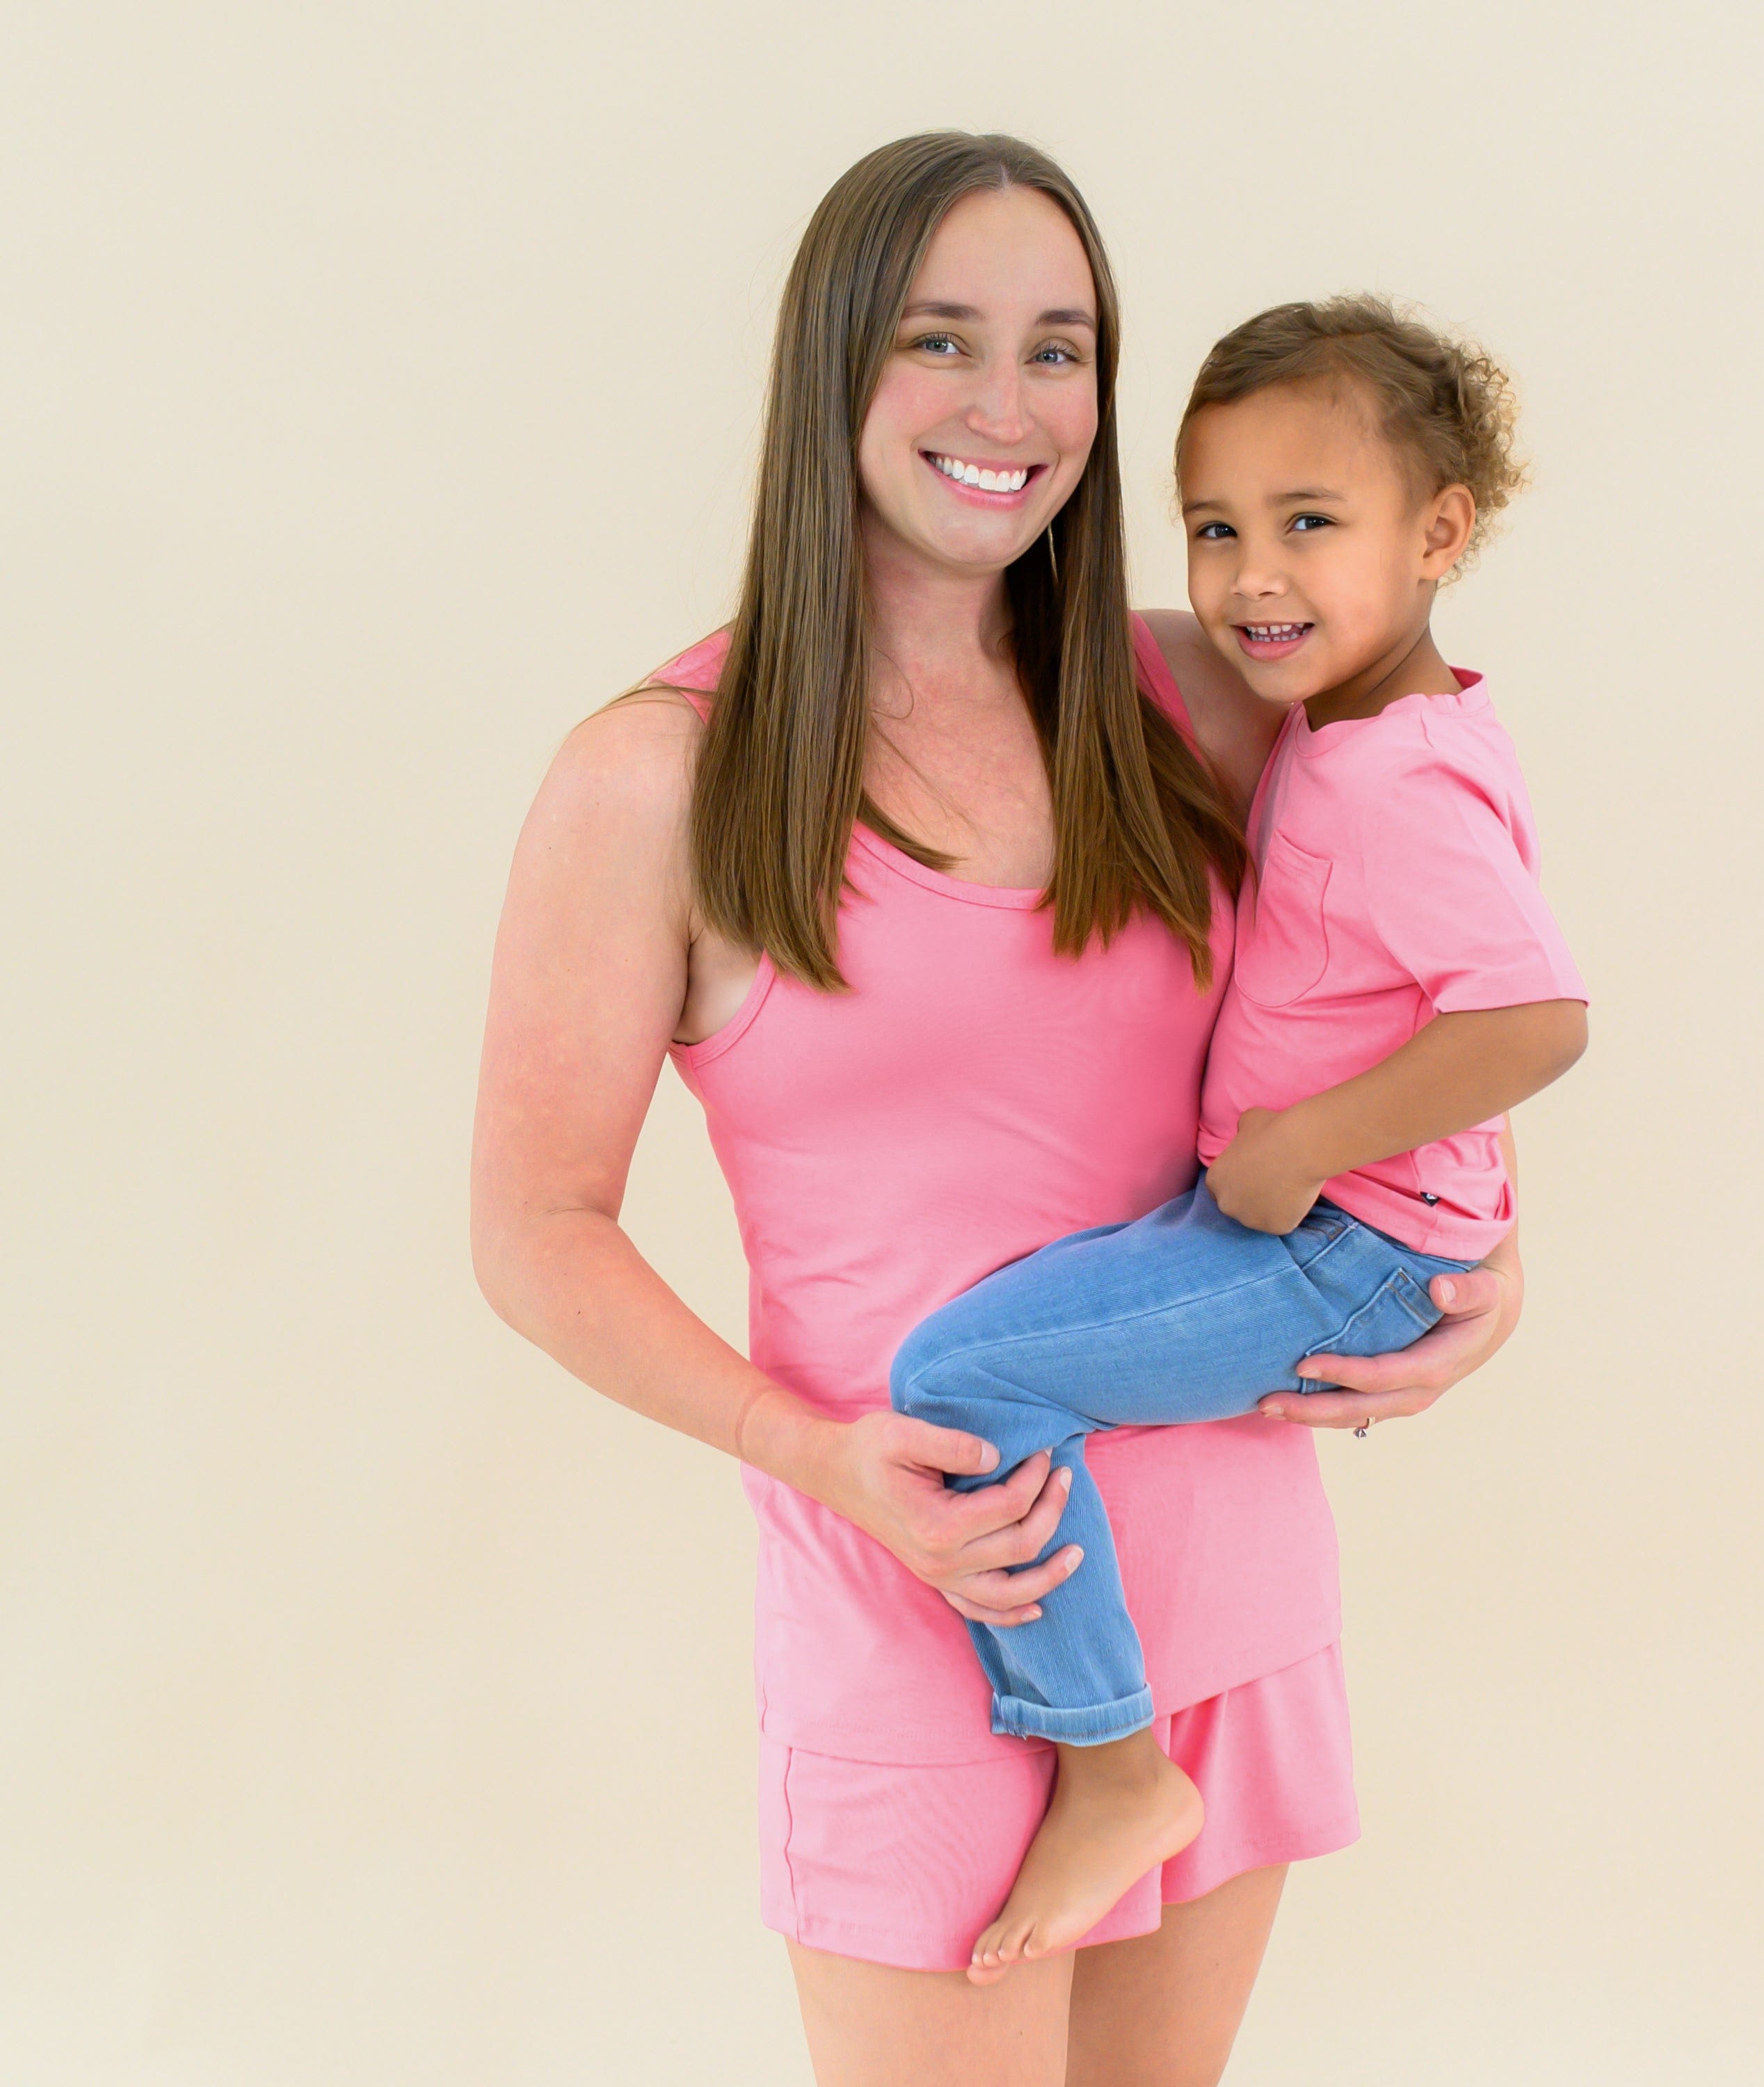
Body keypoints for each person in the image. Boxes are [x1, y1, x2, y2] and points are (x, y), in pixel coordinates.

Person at [471, 132, 1526, 2087]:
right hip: (923, 1597)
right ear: (835, 363)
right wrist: (811, 1451)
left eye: (1060, 350)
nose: (1007, 406)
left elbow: (1425, 966)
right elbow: (536, 1230)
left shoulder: (1211, 698)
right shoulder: (657, 778)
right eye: (941, 339)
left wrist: (1485, 1250)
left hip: (1225, 1577)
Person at [887, 294, 1588, 1983]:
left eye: (1309, 525)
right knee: (995, 1358)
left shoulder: (1391, 780)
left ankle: (1114, 1768)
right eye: (1214, 529)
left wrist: (1301, 1153)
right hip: (1352, 1218)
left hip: (1339, 1241)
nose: (1253, 577)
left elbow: (1534, 1018)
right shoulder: (1358, 727)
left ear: (1441, 534)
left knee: (962, 1379)